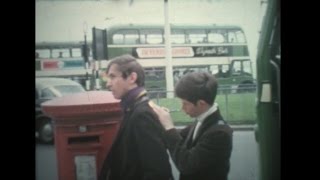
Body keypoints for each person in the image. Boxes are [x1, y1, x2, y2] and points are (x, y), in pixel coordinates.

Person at [98, 54, 173, 180]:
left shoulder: (142, 114)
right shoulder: (132, 109)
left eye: (112, 77)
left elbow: (158, 172)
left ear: (132, 77)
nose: (108, 84)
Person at [150, 72, 233, 180]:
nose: (182, 108)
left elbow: (186, 165)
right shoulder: (202, 120)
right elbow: (175, 138)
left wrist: (169, 126)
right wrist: (161, 121)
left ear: (201, 104)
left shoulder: (220, 133)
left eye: (185, 104)